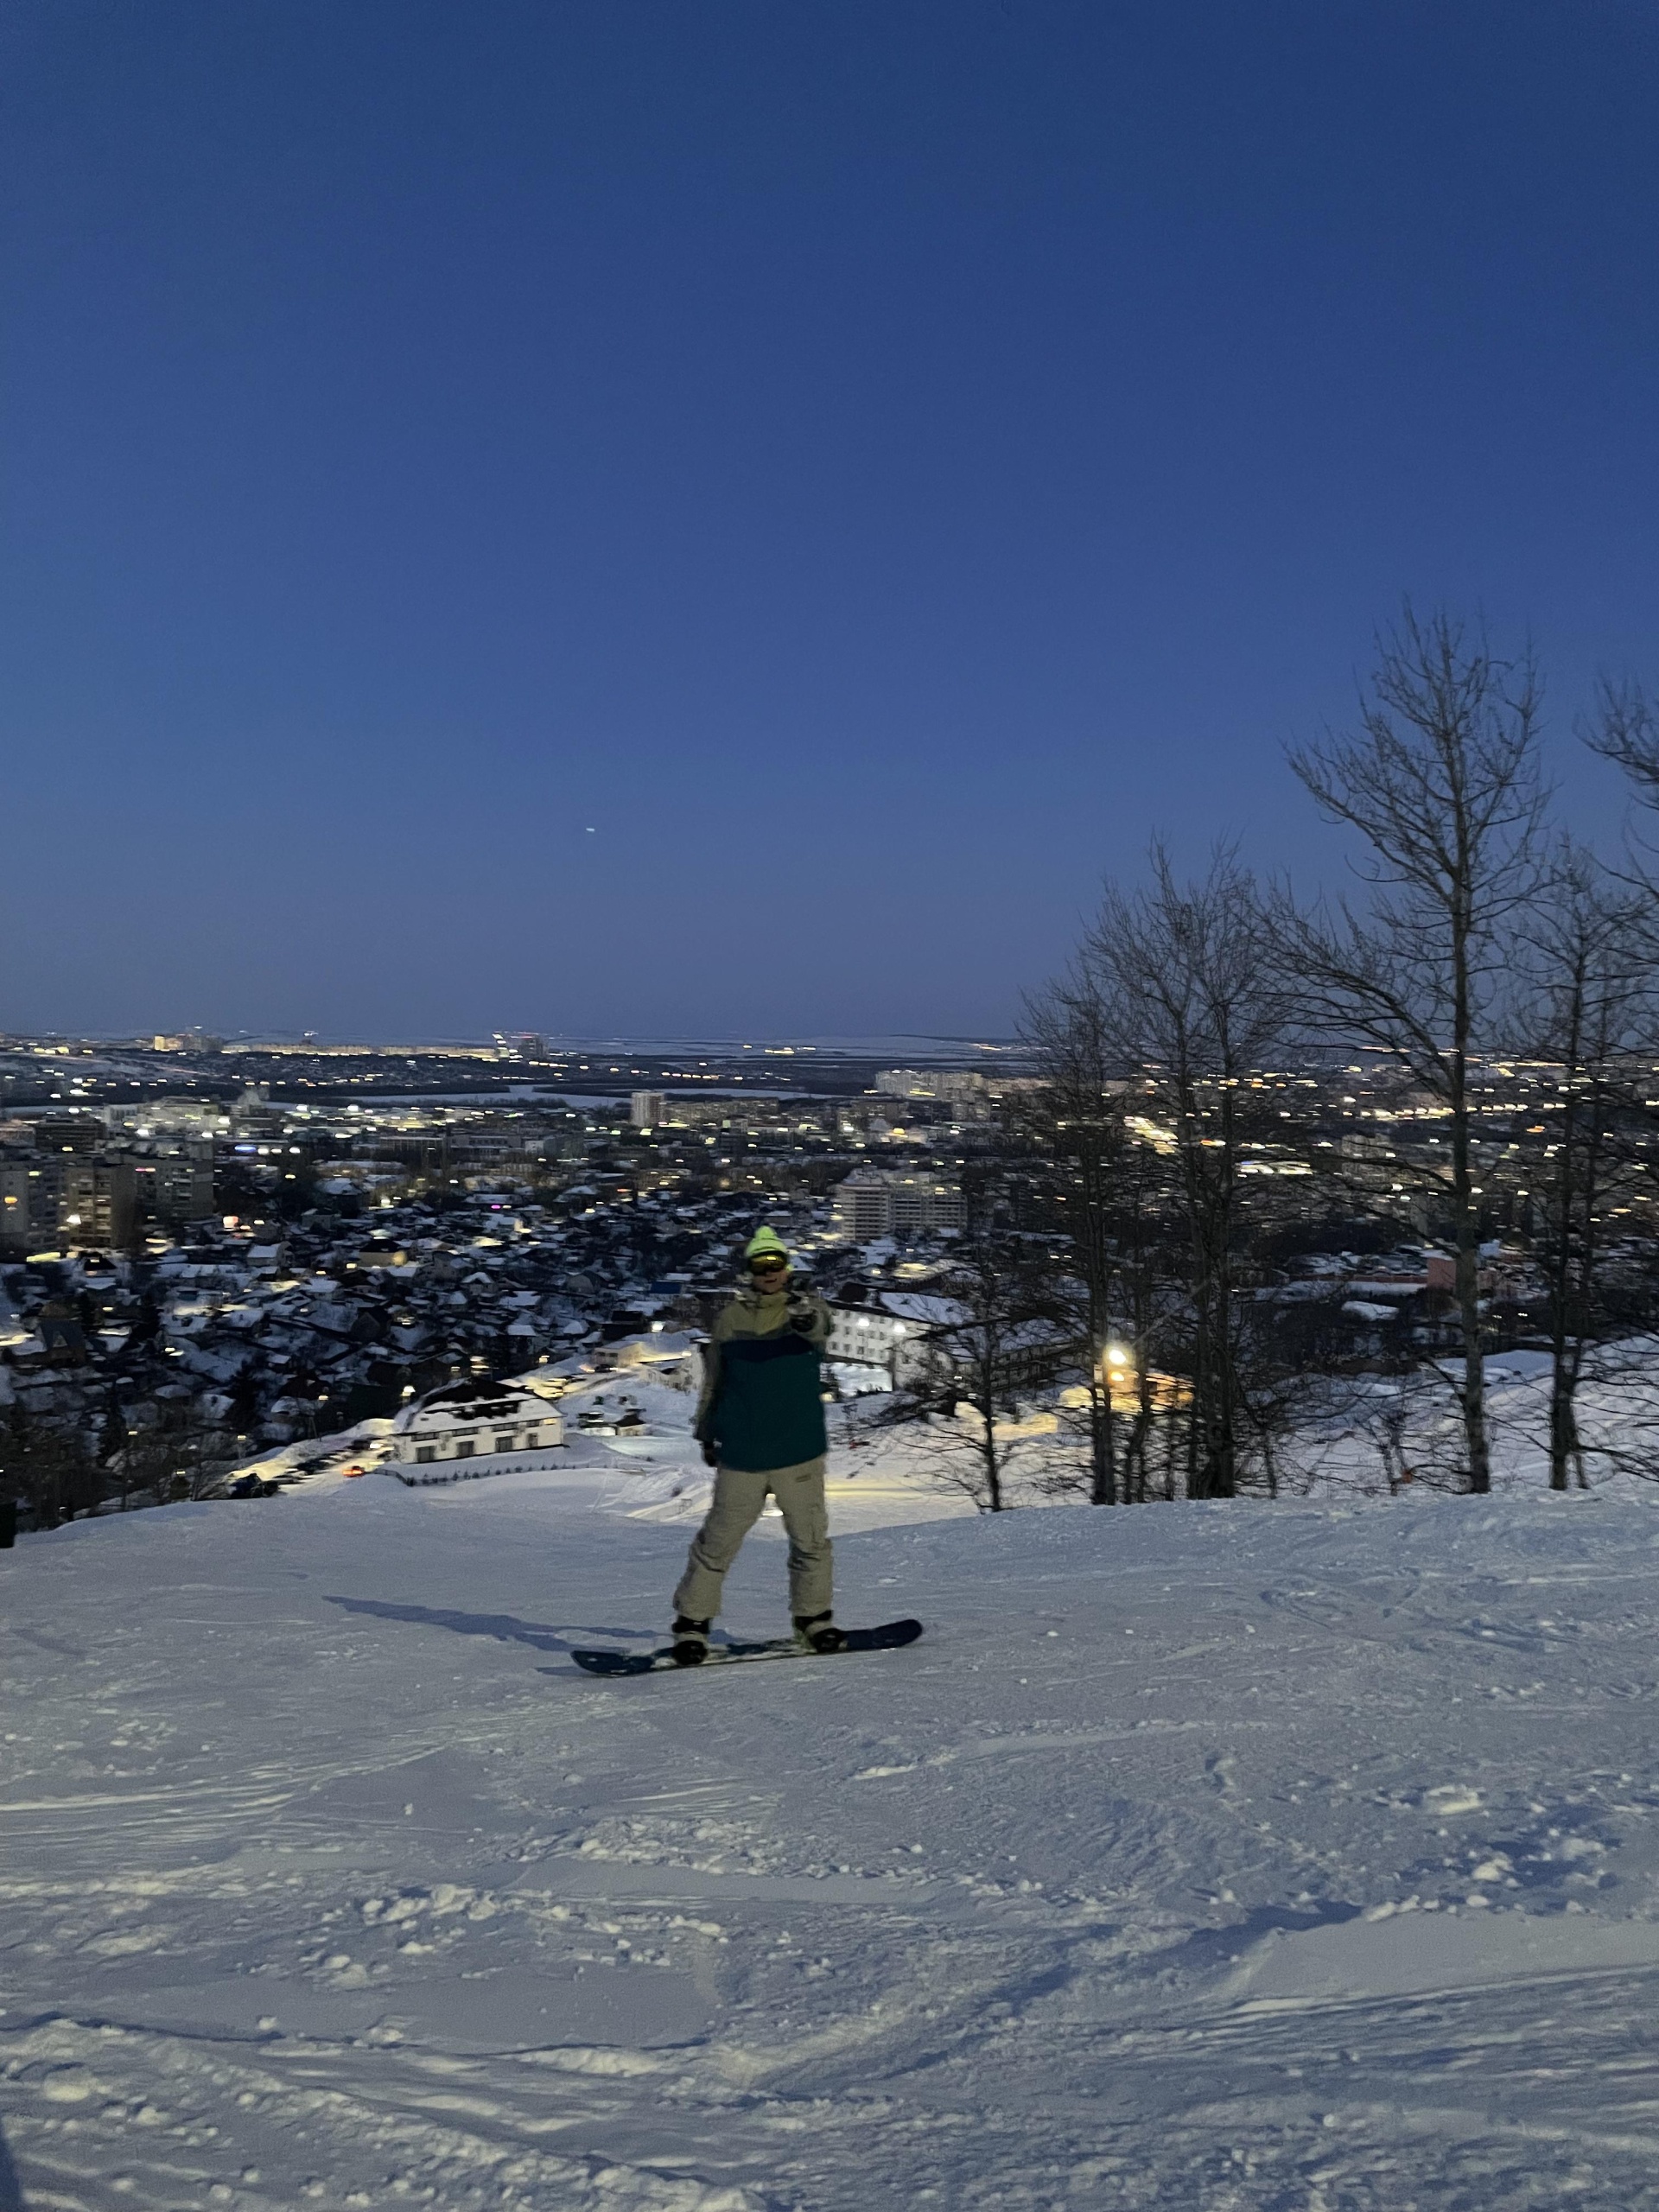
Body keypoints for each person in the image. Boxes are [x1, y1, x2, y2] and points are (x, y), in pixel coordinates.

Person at [670, 1225, 843, 1663]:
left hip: (797, 1450)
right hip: (743, 1452)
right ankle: (692, 1627)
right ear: (748, 1271)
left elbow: (818, 1327)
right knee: (716, 1544)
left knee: (810, 1542)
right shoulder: (729, 1319)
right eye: (760, 1265)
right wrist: (707, 1432)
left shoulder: (807, 1311)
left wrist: (804, 1312)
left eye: (776, 1264)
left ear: (787, 1268)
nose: (769, 1273)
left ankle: (814, 1621)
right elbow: (716, 1381)